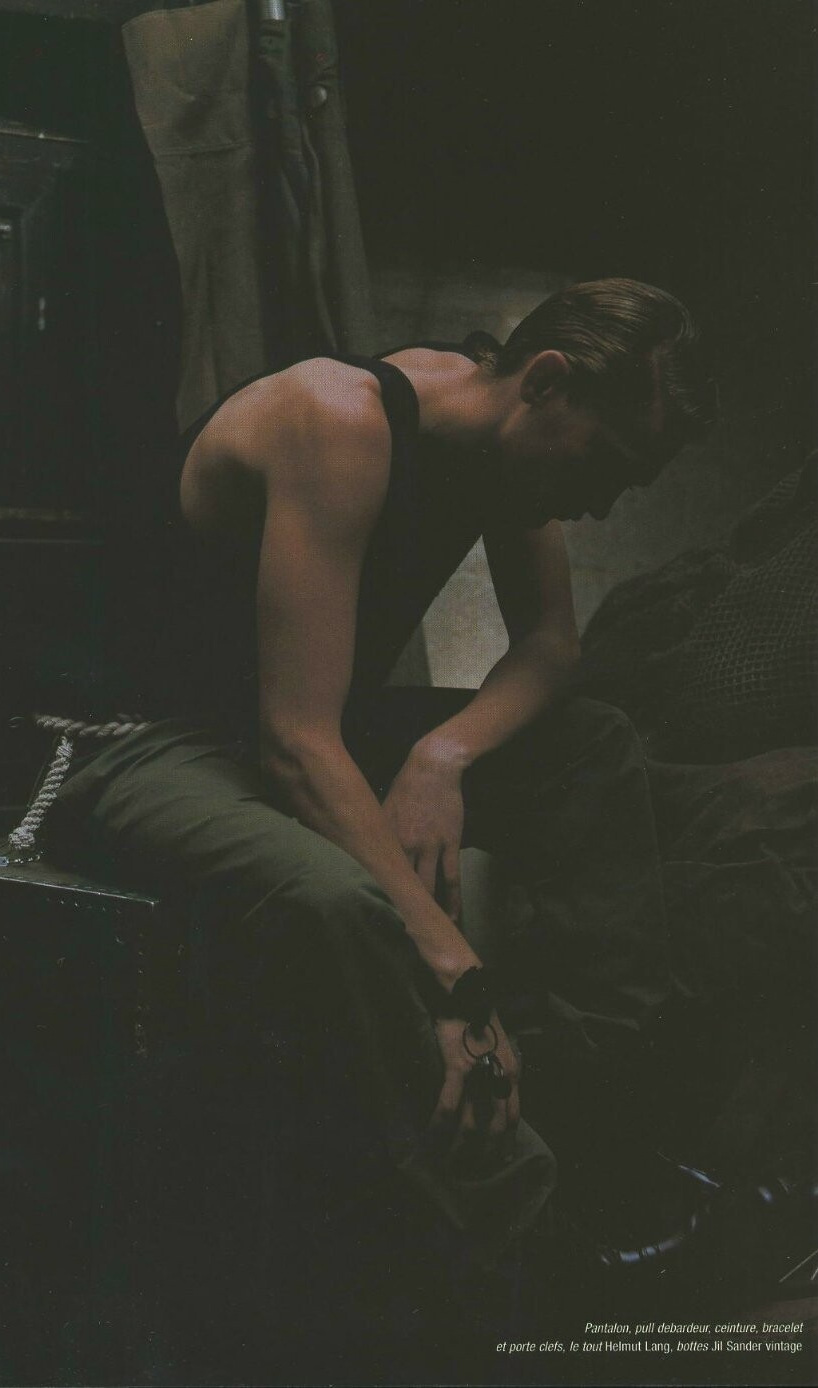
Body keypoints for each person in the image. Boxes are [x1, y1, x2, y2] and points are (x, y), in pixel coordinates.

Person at [44, 277, 715, 1334]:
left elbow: (551, 647)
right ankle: (527, 1231)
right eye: (605, 464)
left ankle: (580, 1104)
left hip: (310, 731)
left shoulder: (508, 451)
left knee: (591, 748)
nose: (600, 504)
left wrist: (443, 754)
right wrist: (453, 968)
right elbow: (294, 743)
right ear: (546, 381)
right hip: (149, 746)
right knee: (338, 898)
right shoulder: (340, 417)